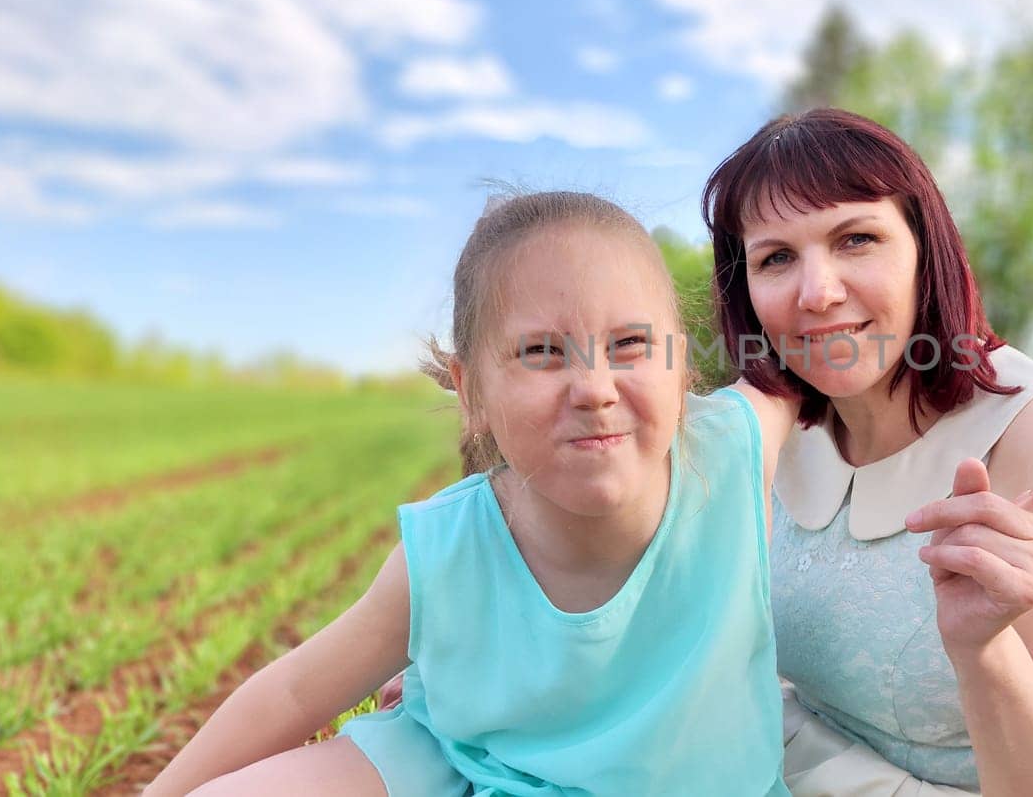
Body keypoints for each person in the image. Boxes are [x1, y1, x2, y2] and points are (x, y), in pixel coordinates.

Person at [144, 191, 800, 797]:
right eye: (542, 351)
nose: (595, 388)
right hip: (463, 768)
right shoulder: (451, 548)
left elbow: (840, 364)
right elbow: (292, 693)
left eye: (630, 344)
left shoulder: (735, 443)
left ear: (680, 362)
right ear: (471, 390)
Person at [702, 108, 1033, 796]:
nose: (817, 293)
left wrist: (985, 652)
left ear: (924, 250)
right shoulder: (780, 422)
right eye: (776, 257)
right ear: (748, 293)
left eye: (856, 238)